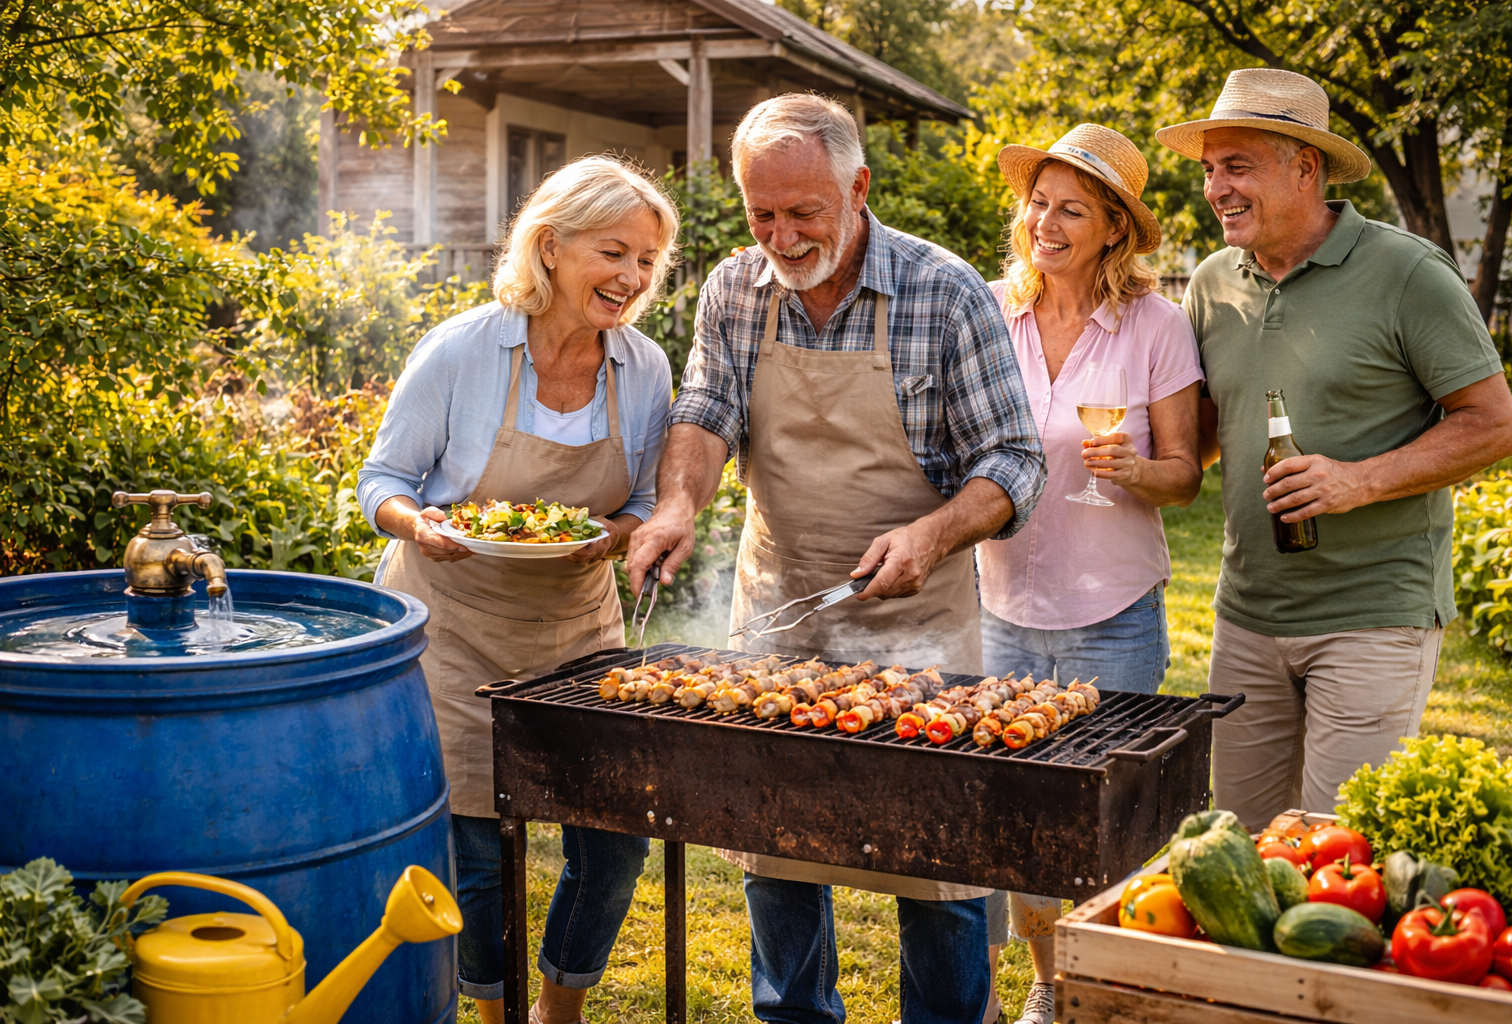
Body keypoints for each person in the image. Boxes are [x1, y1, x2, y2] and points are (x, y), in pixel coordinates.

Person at [626, 94, 1046, 1024]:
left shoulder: (944, 292)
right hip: (781, 605)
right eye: (761, 213)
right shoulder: (734, 288)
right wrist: (678, 504)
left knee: (936, 867)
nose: (781, 234)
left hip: (919, 616)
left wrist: (931, 534)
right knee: (776, 847)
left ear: (858, 188)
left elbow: (1016, 460)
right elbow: (706, 410)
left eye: (803, 211)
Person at [357, 156, 678, 1024]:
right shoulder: (465, 348)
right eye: (614, 252)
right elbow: (383, 477)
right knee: (476, 847)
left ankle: (558, 1008)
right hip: (454, 626)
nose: (632, 277)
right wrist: (419, 524)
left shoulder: (643, 368)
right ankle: (492, 1013)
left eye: (648, 261)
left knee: (613, 837)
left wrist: (618, 535)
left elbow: (643, 500)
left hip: (576, 626)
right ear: (550, 247)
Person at [1157, 68, 1512, 830]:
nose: (1216, 187)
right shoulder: (1213, 282)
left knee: (1334, 854)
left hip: (1372, 616)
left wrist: (1357, 481)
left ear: (1305, 167)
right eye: (1209, 170)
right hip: (1247, 616)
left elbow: (1492, 424)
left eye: (1237, 166)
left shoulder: (1408, 273)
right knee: (1243, 849)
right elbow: (1203, 438)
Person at [978, 122, 1205, 1024]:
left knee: (1109, 814)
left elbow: (1185, 472)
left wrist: (1138, 471)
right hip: (1001, 604)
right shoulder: (993, 309)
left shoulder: (1157, 324)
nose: (1048, 222)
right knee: (1019, 812)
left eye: (1073, 209)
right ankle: (1047, 978)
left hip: (1112, 611)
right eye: (1039, 203)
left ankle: (1110, 985)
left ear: (1115, 227)